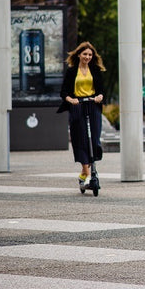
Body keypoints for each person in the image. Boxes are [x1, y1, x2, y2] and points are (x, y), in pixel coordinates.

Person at [58, 41, 107, 189]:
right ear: (79, 54)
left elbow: (101, 90)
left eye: (90, 54)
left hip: (92, 105)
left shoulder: (95, 70)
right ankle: (85, 170)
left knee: (94, 138)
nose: (87, 57)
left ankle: (89, 170)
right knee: (80, 139)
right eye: (85, 54)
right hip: (77, 106)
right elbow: (64, 92)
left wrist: (100, 96)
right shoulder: (72, 71)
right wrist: (70, 99)